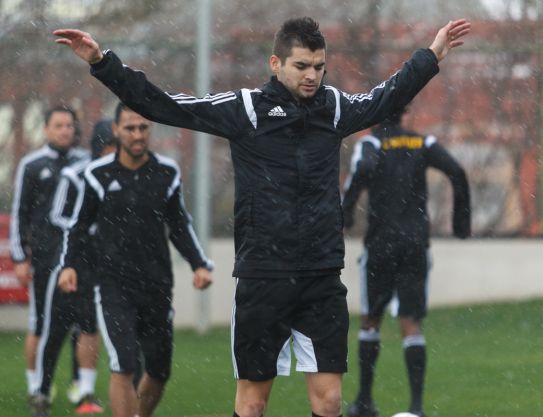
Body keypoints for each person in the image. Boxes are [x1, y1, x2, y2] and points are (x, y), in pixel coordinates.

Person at [53, 16, 471, 417]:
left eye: (320, 67)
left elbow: (387, 96)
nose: (312, 76)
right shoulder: (246, 109)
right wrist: (100, 62)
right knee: (252, 405)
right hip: (262, 277)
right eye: (302, 66)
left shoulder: (335, 108)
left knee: (328, 403)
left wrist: (431, 56)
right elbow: (164, 105)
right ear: (276, 64)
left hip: (321, 276)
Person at [56, 102, 214, 417]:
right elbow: (79, 225)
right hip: (114, 285)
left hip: (157, 284)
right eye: (130, 128)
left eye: (143, 127)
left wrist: (199, 263)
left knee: (159, 371)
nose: (138, 134)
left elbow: (179, 225)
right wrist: (68, 265)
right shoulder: (97, 175)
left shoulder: (166, 172)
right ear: (116, 131)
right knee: (124, 364)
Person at [342, 107, 471, 417]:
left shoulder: (370, 144)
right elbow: (456, 170)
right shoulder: (421, 143)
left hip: (381, 244)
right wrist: (461, 224)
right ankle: (416, 406)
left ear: (376, 115)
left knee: (371, 317)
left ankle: (364, 401)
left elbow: (360, 172)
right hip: (414, 243)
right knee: (411, 321)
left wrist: (344, 218)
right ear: (404, 114)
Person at [31, 119, 119, 417]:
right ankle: (41, 391)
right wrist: (88, 228)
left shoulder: (119, 175)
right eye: (110, 147)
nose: (114, 153)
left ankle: (86, 392)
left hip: (101, 265)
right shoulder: (75, 174)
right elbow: (58, 215)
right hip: (70, 263)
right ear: (99, 146)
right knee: (54, 329)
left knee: (90, 328)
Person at [9, 106, 88, 410]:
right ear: (46, 130)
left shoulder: (85, 162)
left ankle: (80, 385)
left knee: (82, 325)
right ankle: (36, 387)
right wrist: (19, 256)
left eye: (69, 125)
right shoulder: (32, 165)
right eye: (58, 125)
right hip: (44, 258)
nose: (65, 130)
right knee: (41, 324)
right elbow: (20, 213)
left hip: (78, 260)